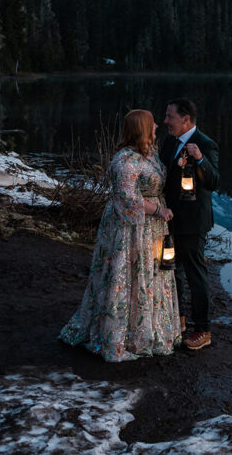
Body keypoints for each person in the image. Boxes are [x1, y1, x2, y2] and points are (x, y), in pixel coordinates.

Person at [59, 109, 181, 361]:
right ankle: (122, 335)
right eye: (152, 123)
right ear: (142, 129)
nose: (157, 125)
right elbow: (127, 199)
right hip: (131, 230)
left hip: (153, 228)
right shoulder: (124, 160)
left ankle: (152, 327)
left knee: (151, 275)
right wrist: (159, 210)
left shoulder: (150, 154)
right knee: (129, 275)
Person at [160, 98, 220, 351]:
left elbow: (214, 182)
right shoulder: (170, 142)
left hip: (193, 223)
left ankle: (203, 330)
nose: (165, 121)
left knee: (196, 276)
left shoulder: (206, 144)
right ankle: (179, 319)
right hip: (169, 219)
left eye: (170, 116)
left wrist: (200, 160)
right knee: (171, 271)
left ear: (186, 119)